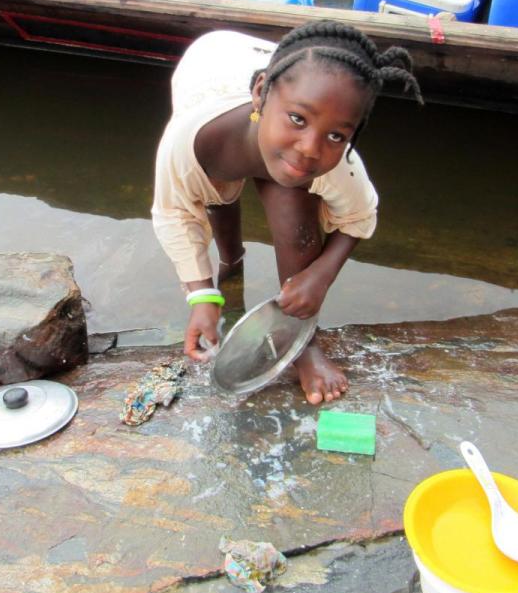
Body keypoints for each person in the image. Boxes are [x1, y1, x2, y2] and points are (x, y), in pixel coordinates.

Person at [151, 20, 422, 404]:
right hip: (210, 64)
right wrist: (202, 296)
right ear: (261, 92)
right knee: (215, 195)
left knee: (295, 212)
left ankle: (303, 345)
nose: (311, 148)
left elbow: (360, 216)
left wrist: (320, 275)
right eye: (298, 119)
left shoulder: (336, 162)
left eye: (336, 135)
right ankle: (233, 260)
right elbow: (175, 213)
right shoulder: (191, 141)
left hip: (291, 87)